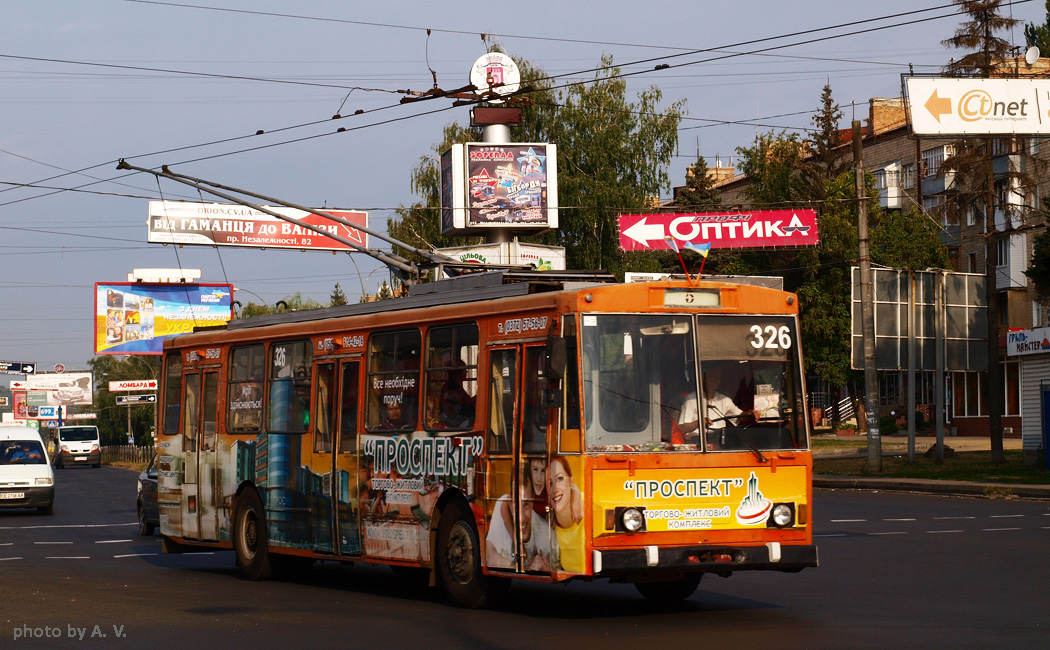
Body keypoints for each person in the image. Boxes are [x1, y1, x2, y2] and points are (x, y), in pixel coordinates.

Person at [486, 467, 556, 571]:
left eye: (526, 504)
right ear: (510, 501)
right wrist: (526, 568)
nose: (522, 517)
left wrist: (544, 568)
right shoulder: (502, 504)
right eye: (516, 504)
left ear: (533, 500)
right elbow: (489, 556)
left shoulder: (547, 538)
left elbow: (559, 570)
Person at [549, 455, 584, 573]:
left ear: (571, 480)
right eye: (549, 484)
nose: (555, 489)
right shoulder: (545, 526)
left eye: (560, 479)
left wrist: (576, 492)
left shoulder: (588, 508)